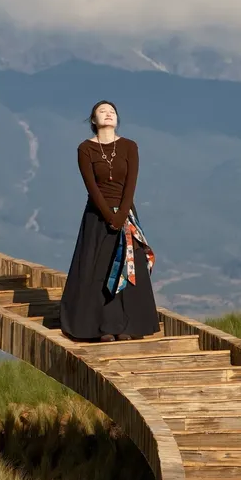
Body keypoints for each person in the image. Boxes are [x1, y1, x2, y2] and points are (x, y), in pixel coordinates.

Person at [59, 100, 159, 342]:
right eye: (102, 111)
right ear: (93, 120)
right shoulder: (85, 149)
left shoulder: (129, 146)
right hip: (97, 216)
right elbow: (91, 187)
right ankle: (101, 326)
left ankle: (128, 325)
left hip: (126, 214)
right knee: (98, 268)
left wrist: (122, 215)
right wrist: (108, 216)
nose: (108, 114)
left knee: (130, 267)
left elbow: (131, 184)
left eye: (112, 111)